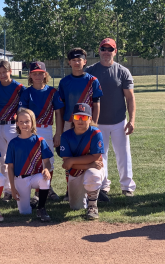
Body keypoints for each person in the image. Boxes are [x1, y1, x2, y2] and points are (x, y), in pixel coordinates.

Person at [85, 38, 136, 197]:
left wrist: (132, 120)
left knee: (123, 154)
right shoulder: (90, 71)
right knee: (101, 155)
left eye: (110, 49)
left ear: (115, 51)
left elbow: (130, 98)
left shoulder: (122, 71)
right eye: (103, 49)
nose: (106, 52)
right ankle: (103, 185)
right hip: (97, 122)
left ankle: (127, 186)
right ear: (99, 50)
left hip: (118, 121)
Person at [58, 48, 103, 201]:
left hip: (87, 123)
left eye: (80, 59)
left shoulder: (92, 81)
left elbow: (96, 103)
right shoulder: (64, 82)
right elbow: (61, 106)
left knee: (93, 156)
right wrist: (60, 129)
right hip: (69, 122)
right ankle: (69, 189)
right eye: (74, 60)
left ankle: (95, 188)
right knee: (68, 157)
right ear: (69, 62)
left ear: (85, 61)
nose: (77, 62)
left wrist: (94, 123)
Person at [19, 61, 64, 202]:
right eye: (34, 73)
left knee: (48, 159)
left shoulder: (52, 92)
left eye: (40, 73)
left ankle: (47, 188)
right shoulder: (27, 92)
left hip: (46, 129)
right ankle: (36, 191)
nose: (38, 76)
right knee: (32, 160)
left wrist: (58, 133)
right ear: (30, 75)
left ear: (45, 74)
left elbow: (58, 113)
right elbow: (22, 114)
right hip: (30, 130)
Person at [6, 108, 52, 222]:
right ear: (17, 124)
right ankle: (30, 205)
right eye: (20, 122)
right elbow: (10, 168)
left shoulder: (40, 140)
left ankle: (41, 208)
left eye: (27, 121)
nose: (24, 124)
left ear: (32, 122)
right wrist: (12, 188)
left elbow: (47, 162)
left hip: (36, 176)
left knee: (44, 178)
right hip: (20, 179)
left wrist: (46, 169)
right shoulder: (13, 143)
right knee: (24, 212)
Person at [0, 60, 26, 202]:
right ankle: (8, 190)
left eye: (5, 72)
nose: (2, 75)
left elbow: (21, 109)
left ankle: (18, 188)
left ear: (10, 71)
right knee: (2, 160)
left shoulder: (19, 88)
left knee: (15, 159)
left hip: (12, 125)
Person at [60, 103, 105, 220]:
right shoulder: (65, 136)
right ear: (73, 119)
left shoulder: (95, 133)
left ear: (90, 119)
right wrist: (89, 164)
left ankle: (92, 205)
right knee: (76, 207)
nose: (80, 120)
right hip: (76, 171)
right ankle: (87, 194)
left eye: (84, 117)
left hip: (92, 168)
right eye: (77, 117)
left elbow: (95, 156)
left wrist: (73, 161)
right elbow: (66, 163)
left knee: (93, 174)